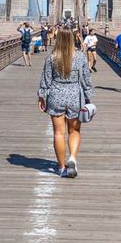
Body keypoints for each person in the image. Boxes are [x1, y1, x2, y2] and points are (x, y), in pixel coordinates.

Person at [38, 27, 93, 178]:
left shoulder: (52, 57)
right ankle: (72, 158)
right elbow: (86, 79)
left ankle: (62, 168)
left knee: (58, 133)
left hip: (56, 95)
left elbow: (46, 79)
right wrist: (88, 97)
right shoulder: (81, 57)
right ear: (72, 39)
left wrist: (42, 96)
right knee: (74, 131)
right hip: (75, 95)